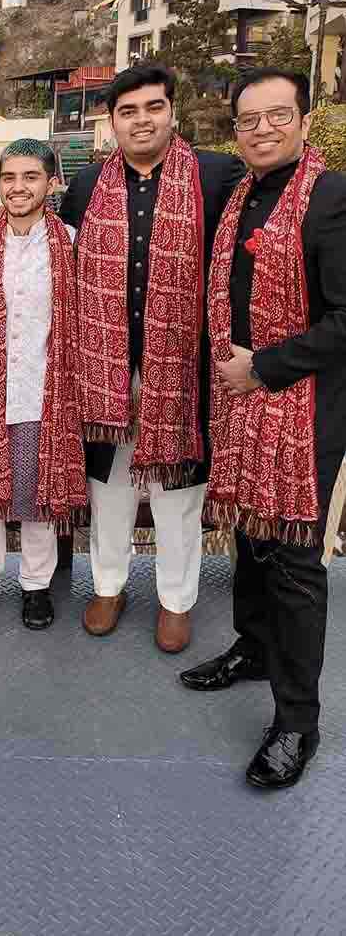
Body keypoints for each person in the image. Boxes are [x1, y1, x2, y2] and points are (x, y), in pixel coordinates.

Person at [180, 68, 346, 788]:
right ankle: (252, 647)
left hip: (304, 413)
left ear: (305, 122)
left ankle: (297, 722)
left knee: (297, 567)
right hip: (241, 405)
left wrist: (267, 366)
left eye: (279, 115)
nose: (263, 130)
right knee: (250, 536)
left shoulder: (332, 198)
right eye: (249, 121)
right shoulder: (241, 196)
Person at [58, 64, 244, 653]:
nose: (142, 120)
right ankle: (108, 588)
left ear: (173, 112)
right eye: (128, 111)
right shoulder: (87, 184)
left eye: (153, 108)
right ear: (111, 122)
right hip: (103, 366)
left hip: (182, 368)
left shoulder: (215, 175)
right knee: (107, 490)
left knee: (178, 498)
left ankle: (175, 600)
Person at [0, 141, 87, 629]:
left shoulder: (71, 243)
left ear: (51, 183)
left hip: (47, 384)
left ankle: (36, 585)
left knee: (37, 490)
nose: (18, 187)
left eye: (30, 177)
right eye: (9, 177)